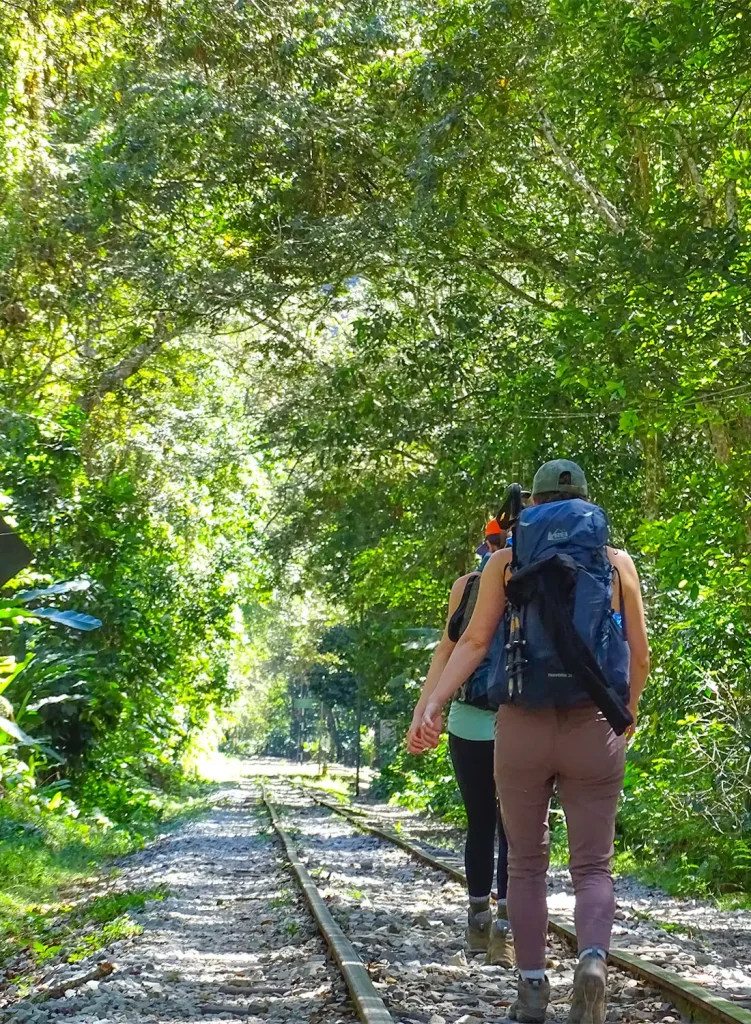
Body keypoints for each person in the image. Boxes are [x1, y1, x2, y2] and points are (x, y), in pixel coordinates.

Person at [418, 460, 650, 1024]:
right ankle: (592, 962)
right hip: (593, 725)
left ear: (530, 507)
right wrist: (626, 713)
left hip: (521, 726)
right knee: (594, 866)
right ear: (587, 506)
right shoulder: (616, 564)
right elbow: (638, 656)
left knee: (524, 864)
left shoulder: (504, 561)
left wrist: (434, 704)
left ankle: (531, 987)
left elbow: (473, 643)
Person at [406, 518, 512, 968]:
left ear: (488, 543)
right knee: (516, 831)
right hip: (525, 722)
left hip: (469, 721)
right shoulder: (554, 578)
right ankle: (505, 929)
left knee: (481, 822)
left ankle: (478, 921)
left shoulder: (468, 584)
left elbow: (449, 650)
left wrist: (426, 708)